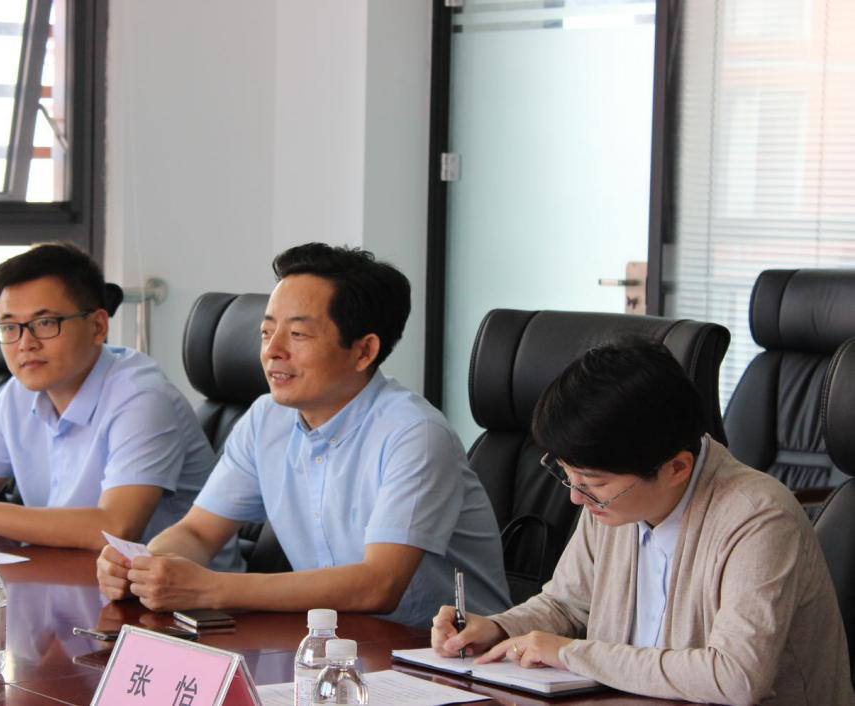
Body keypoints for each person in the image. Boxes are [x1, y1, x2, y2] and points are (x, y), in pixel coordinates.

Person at [97, 243, 510, 628]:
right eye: (266, 332)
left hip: (445, 656)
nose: (272, 351)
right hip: (334, 644)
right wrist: (145, 566)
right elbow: (198, 533)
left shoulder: (414, 434)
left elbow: (379, 585)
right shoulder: (266, 419)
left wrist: (212, 588)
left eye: (298, 335)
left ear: (364, 351)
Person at [431, 341, 854, 705]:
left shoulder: (758, 518)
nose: (576, 497)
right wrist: (498, 627)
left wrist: (571, 654)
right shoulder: (612, 501)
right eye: (567, 475)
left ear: (676, 468)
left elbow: (736, 676)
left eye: (593, 483)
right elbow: (566, 604)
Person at [0, 243, 237, 565]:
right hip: (66, 576)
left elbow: (115, 528)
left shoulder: (142, 398)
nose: (25, 343)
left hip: (181, 602)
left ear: (98, 326)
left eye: (45, 323)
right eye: (10, 327)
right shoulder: (17, 394)